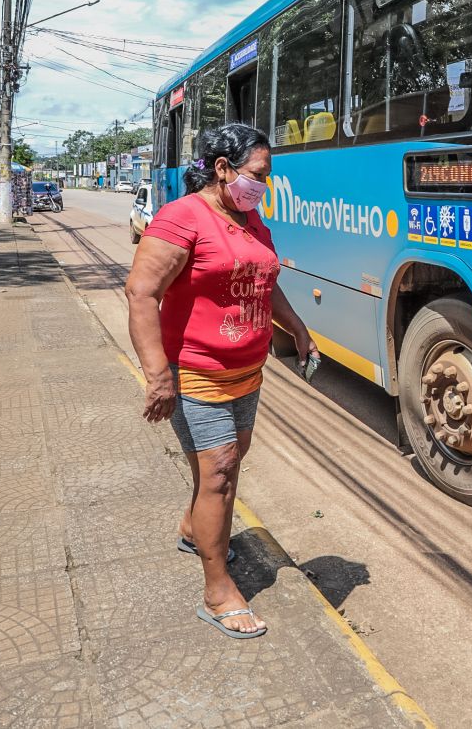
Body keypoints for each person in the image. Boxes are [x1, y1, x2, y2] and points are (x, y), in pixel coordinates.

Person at [124, 123, 319, 640]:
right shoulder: (181, 217)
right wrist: (158, 376)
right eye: (258, 174)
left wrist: (296, 327)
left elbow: (264, 281)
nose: (264, 185)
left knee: (229, 466)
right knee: (220, 474)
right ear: (223, 168)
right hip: (196, 372)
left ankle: (194, 528)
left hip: (247, 371)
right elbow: (141, 294)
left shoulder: (250, 219)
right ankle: (218, 591)